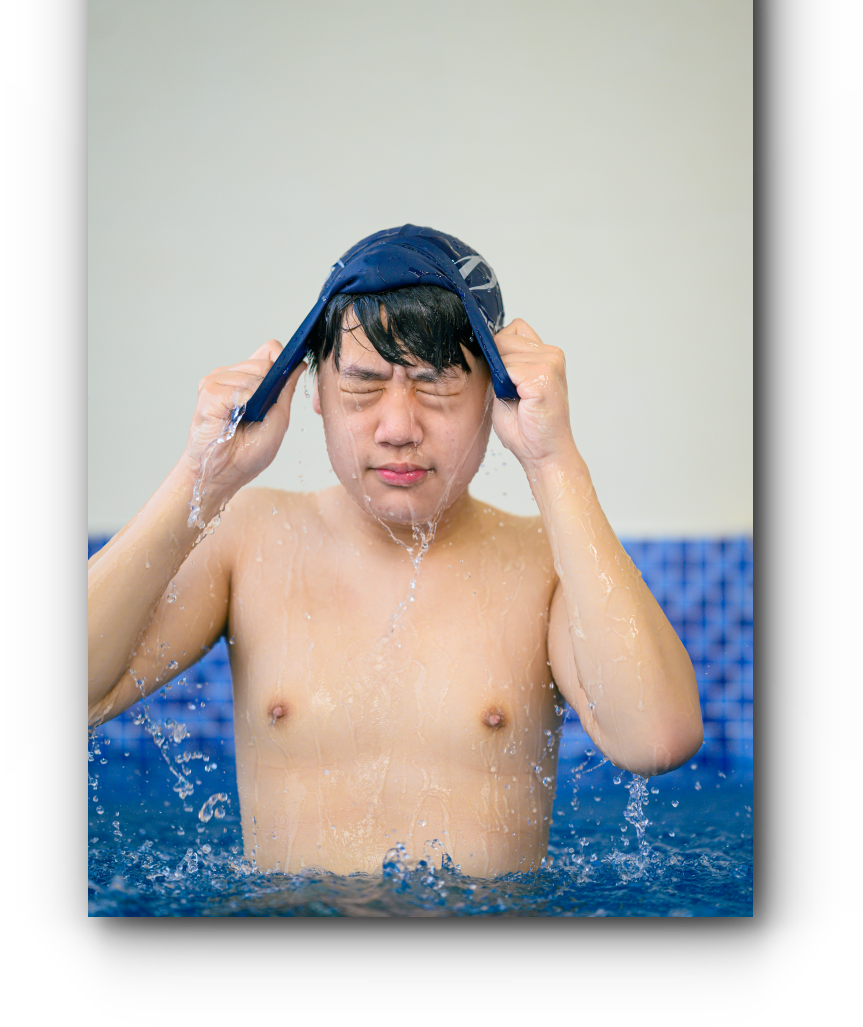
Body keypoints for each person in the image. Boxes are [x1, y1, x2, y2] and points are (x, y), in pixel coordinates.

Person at [88, 225, 703, 876]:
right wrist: (203, 475)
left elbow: (656, 740)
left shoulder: (545, 564)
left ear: (494, 394)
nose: (399, 428)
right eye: (362, 386)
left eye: (435, 385)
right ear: (315, 392)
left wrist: (554, 462)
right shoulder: (249, 539)